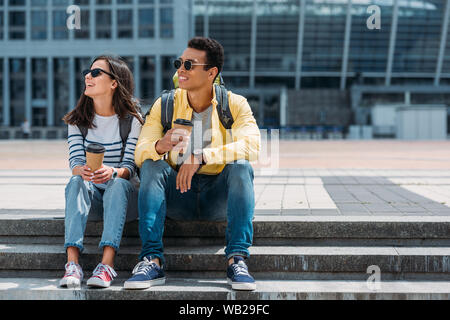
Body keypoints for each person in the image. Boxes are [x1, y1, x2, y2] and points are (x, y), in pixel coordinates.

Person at [124, 37, 261, 291]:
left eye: (189, 64)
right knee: (152, 165)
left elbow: (253, 145)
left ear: (211, 73)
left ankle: (237, 259)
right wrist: (159, 146)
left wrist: (201, 156)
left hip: (217, 197)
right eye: (179, 63)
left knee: (242, 167)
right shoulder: (165, 104)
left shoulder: (235, 103)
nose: (180, 70)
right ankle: (151, 259)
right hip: (179, 195)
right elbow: (140, 151)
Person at [60, 55, 143, 288]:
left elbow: (129, 168)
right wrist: (83, 171)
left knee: (117, 183)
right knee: (75, 181)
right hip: (93, 199)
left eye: (96, 73)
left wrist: (113, 172)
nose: (88, 75)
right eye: (88, 71)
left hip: (124, 199)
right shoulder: (77, 120)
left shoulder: (132, 120)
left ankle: (107, 264)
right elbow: (75, 162)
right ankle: (73, 264)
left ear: (114, 83)